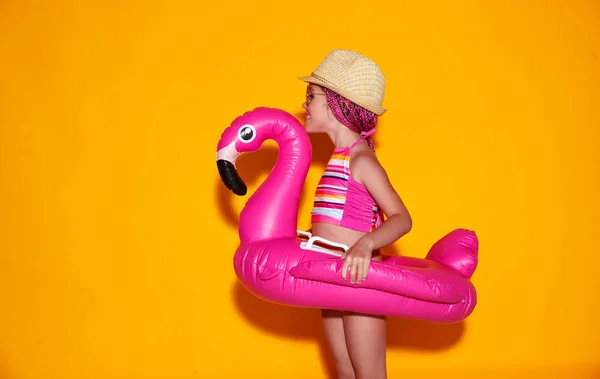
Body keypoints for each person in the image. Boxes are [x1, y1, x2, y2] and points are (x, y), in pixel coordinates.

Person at [298, 49, 413, 379]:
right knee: (345, 370)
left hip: (360, 279)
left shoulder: (361, 161)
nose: (304, 104)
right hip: (331, 275)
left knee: (369, 373)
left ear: (337, 104)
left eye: (311, 96)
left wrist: (366, 244)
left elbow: (402, 217)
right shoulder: (335, 161)